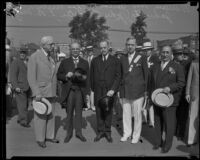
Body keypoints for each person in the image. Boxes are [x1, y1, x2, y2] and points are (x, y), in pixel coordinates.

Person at [150, 45, 185, 153]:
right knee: (158, 121)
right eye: (163, 52)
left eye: (167, 52)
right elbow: (151, 82)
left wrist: (170, 88)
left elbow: (181, 83)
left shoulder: (177, 66)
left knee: (169, 124)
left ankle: (167, 145)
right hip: (157, 99)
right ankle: (158, 142)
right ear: (160, 53)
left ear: (171, 54)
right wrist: (150, 95)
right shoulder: (155, 66)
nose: (164, 54)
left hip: (169, 101)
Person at [27, 36, 59, 148]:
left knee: (51, 114)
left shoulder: (51, 58)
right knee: (40, 116)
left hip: (52, 91)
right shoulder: (34, 57)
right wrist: (36, 93)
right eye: (51, 44)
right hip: (41, 92)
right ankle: (40, 139)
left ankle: (49, 136)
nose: (53, 46)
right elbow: (31, 77)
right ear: (43, 45)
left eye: (53, 44)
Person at [57, 42, 90, 143]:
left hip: (80, 91)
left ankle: (79, 133)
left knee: (79, 113)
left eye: (77, 49)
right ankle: (69, 133)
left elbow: (87, 79)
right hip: (69, 91)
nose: (75, 51)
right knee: (69, 113)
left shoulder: (84, 63)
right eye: (73, 49)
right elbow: (58, 75)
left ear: (80, 50)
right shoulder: (65, 62)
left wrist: (87, 93)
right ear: (70, 50)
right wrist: (66, 76)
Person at [90, 40, 121, 143]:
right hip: (98, 89)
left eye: (104, 47)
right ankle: (100, 131)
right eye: (101, 48)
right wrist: (93, 88)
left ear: (108, 47)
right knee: (99, 111)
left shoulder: (115, 60)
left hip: (109, 91)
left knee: (108, 111)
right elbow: (91, 75)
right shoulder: (95, 60)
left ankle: (107, 132)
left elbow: (118, 76)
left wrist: (113, 89)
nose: (103, 49)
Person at [119, 37, 148, 144]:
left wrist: (145, 90)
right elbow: (120, 75)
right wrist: (120, 90)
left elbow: (146, 75)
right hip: (125, 90)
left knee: (137, 115)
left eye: (132, 45)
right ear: (126, 45)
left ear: (135, 45)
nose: (130, 46)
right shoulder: (122, 58)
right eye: (128, 45)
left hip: (138, 91)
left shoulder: (142, 57)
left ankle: (136, 135)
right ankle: (127, 133)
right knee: (126, 114)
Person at [173, 48, 193, 141]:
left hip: (184, 93)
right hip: (174, 94)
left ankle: (180, 133)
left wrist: (187, 92)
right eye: (180, 54)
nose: (183, 55)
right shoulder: (171, 64)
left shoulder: (187, 64)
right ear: (175, 55)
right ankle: (173, 131)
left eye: (183, 54)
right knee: (174, 114)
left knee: (183, 115)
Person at [10, 46, 30, 127]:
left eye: (24, 52)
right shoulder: (16, 62)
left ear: (26, 54)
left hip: (28, 87)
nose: (22, 54)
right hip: (19, 87)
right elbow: (13, 75)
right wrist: (15, 86)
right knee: (22, 105)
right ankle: (23, 121)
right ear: (19, 53)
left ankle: (20, 118)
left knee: (25, 104)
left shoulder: (28, 62)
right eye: (21, 52)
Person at [141, 41, 160, 127]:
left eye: (148, 50)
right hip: (143, 83)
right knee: (142, 101)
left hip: (152, 84)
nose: (146, 51)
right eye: (145, 50)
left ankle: (151, 121)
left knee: (150, 102)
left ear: (151, 50)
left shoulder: (155, 59)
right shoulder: (142, 58)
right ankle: (144, 119)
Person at [185, 49, 199, 147]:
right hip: (195, 93)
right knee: (193, 116)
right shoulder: (193, 63)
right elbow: (189, 79)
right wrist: (187, 93)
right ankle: (191, 139)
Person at [85, 46, 96, 112]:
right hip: (86, 77)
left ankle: (93, 106)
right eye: (88, 51)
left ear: (92, 51)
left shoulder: (95, 59)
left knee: (92, 91)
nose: (89, 52)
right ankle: (87, 105)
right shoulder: (85, 58)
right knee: (87, 91)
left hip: (93, 77)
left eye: (91, 51)